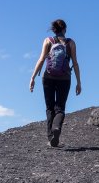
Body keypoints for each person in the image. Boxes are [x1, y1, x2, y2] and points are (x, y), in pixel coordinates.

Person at [29, 19, 82, 147]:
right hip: (65, 78)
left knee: (49, 107)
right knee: (60, 108)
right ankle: (56, 127)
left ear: (54, 30)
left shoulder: (48, 41)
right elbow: (75, 63)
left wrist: (32, 77)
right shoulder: (71, 43)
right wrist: (79, 82)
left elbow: (41, 60)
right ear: (65, 29)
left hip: (48, 77)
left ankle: (51, 138)